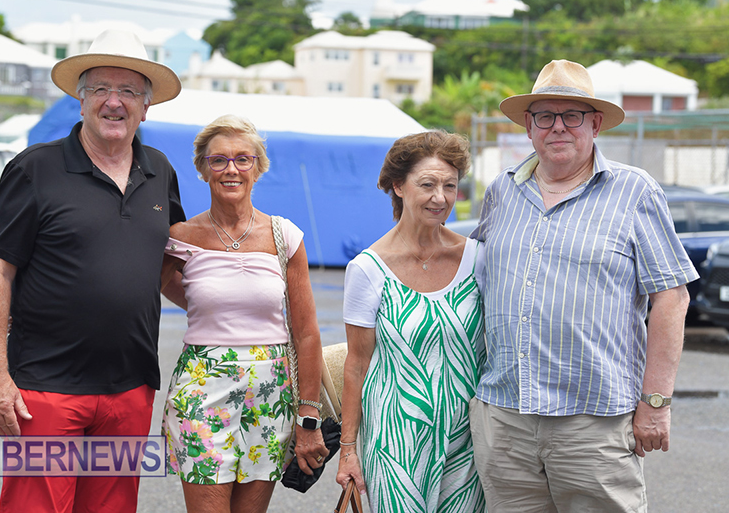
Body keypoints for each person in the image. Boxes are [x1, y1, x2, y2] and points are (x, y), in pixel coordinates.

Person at [469, 59, 699, 512]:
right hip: (505, 419)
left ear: (594, 125)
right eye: (545, 117)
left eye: (571, 115)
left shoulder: (635, 191)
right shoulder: (501, 191)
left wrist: (655, 402)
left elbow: (671, 297)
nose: (558, 127)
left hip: (594, 424)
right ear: (529, 128)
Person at [0, 29, 185, 512]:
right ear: (81, 99)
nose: (114, 102)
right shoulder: (35, 169)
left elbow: (170, 264)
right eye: (101, 90)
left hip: (130, 389)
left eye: (129, 91)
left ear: (146, 107)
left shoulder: (160, 169)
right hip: (45, 389)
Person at [160, 114, 329, 513]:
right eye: (218, 160)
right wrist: (206, 307)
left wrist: (308, 417)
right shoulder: (179, 237)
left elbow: (306, 333)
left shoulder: (284, 236)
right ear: (202, 169)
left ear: (258, 167)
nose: (231, 169)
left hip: (271, 395)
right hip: (201, 392)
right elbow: (150, 287)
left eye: (243, 159)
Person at [336, 130, 487, 513]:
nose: (441, 198)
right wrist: (348, 450)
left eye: (450, 186)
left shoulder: (478, 258)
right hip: (395, 442)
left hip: (467, 437)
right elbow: (356, 364)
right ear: (398, 186)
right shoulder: (368, 269)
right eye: (428, 184)